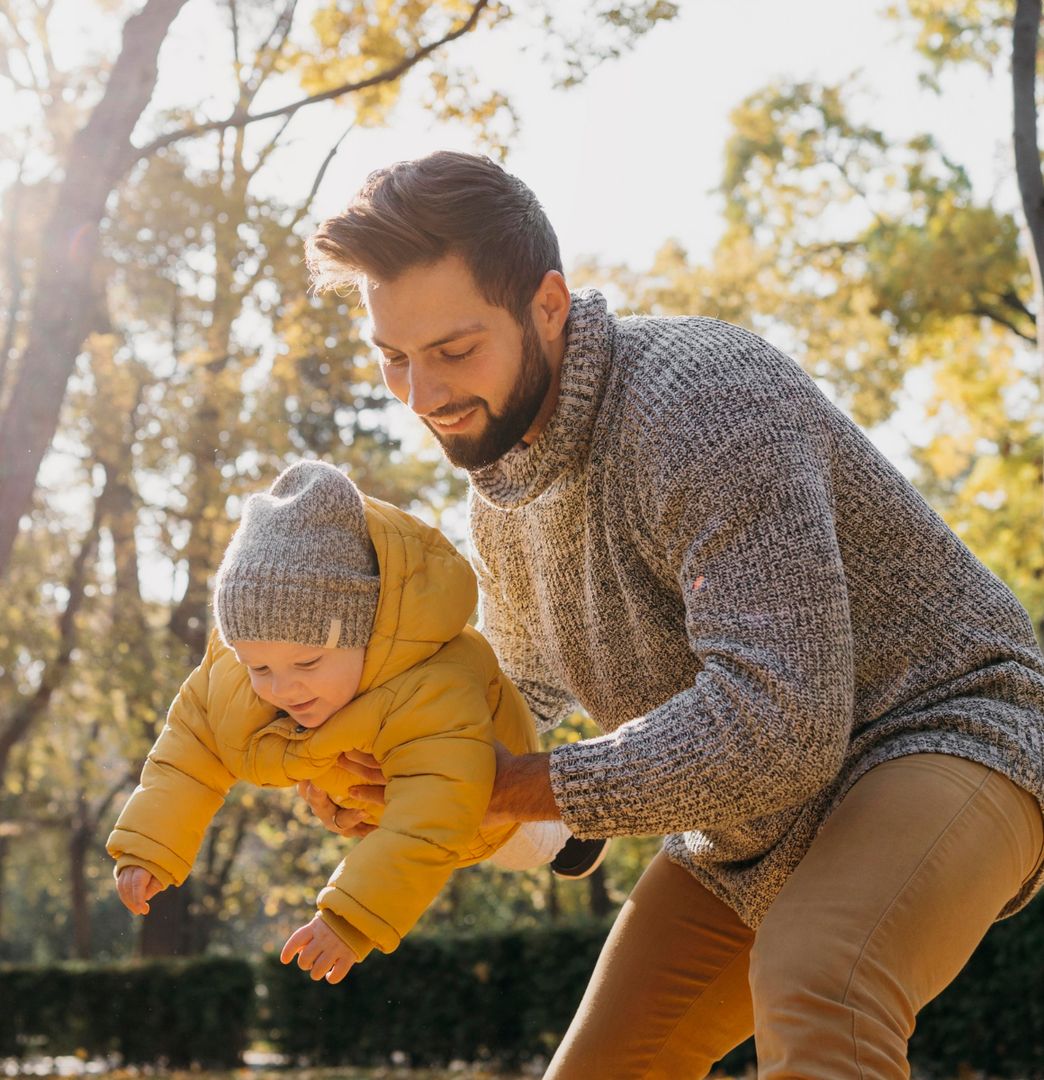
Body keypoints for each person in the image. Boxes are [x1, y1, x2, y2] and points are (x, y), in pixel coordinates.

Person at [302, 150, 1044, 1076]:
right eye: (395, 360)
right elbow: (512, 693)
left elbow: (783, 720)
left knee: (821, 977)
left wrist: (512, 784)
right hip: (748, 818)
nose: (424, 397)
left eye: (454, 352)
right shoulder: (502, 492)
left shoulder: (700, 403)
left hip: (942, 731)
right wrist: (402, 768)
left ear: (549, 306)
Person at [106, 459, 606, 985]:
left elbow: (435, 812)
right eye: (260, 667)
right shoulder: (234, 677)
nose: (282, 688)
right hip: (375, 803)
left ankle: (575, 827)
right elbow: (187, 752)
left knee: (518, 846)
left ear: (366, 634)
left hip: (481, 800)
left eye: (307, 664)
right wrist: (149, 844)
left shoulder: (432, 683)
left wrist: (351, 917)